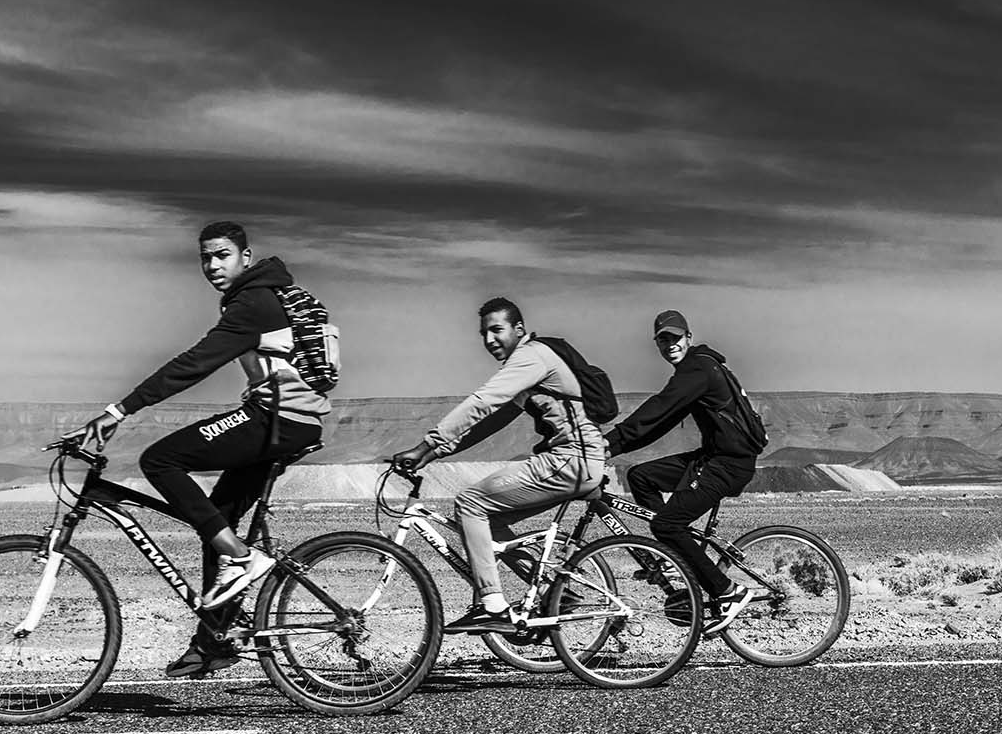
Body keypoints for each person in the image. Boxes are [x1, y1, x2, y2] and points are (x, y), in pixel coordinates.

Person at [68, 221, 329, 678]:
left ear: (246, 257)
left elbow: (194, 363)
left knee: (160, 460)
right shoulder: (258, 297)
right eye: (205, 257)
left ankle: (243, 559)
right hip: (289, 422)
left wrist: (119, 411)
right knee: (217, 522)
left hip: (276, 422)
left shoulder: (254, 303)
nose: (212, 266)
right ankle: (215, 642)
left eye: (222, 255)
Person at [391, 297, 608, 632]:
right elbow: (487, 423)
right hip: (575, 460)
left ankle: (491, 604)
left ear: (518, 329)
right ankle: (555, 592)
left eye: (496, 330)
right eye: (483, 333)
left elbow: (483, 401)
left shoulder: (530, 356)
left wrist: (427, 442)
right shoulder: (526, 369)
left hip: (572, 458)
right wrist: (429, 455)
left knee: (470, 504)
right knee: (484, 523)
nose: (489, 340)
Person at [602, 310, 766, 632]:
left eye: (675, 338)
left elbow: (657, 409)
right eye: (663, 339)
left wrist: (610, 442)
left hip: (728, 463)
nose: (669, 344)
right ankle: (671, 553)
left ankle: (727, 591)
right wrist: (615, 447)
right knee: (641, 477)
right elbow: (659, 423)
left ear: (688, 338)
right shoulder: (696, 368)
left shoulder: (698, 368)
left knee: (666, 524)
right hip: (713, 457)